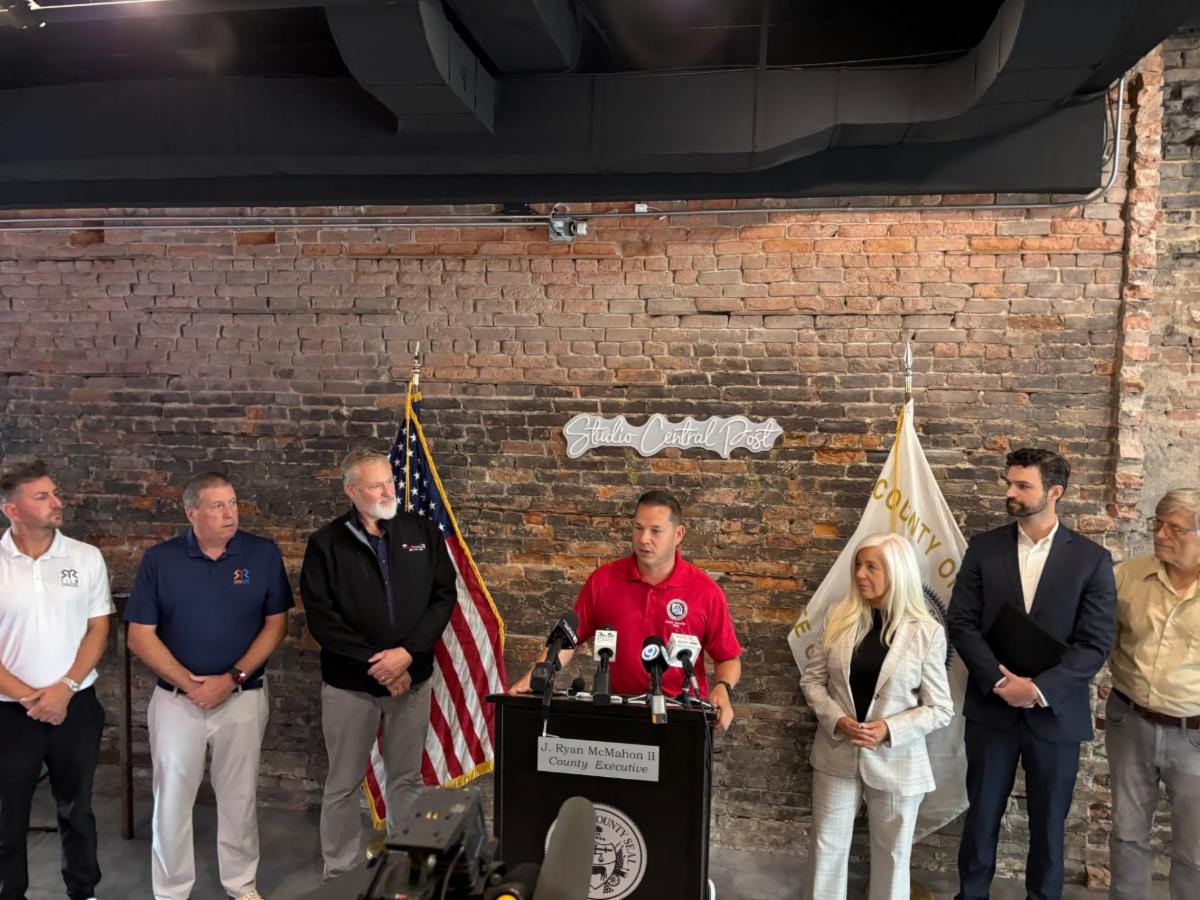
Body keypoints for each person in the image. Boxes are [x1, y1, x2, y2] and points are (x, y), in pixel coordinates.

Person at [947, 448, 1116, 900]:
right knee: (981, 817)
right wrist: (1000, 682)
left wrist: (1038, 690)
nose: (1011, 492)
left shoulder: (1092, 560)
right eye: (1009, 483)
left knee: (1048, 825)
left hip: (1056, 715)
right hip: (992, 708)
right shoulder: (984, 548)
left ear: (1054, 492)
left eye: (1023, 485)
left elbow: (1095, 643)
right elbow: (961, 622)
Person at [125, 471, 292, 900]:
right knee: (172, 800)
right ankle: (171, 891)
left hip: (243, 697)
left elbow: (276, 625)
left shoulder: (262, 554)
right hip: (177, 702)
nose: (230, 513)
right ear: (191, 512)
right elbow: (139, 635)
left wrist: (232, 679)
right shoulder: (160, 560)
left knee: (240, 797)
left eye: (233, 503)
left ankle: (242, 885)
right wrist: (191, 684)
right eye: (218, 506)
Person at [300, 447, 457, 880]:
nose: (389, 491)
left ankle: (406, 869)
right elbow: (322, 619)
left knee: (407, 779)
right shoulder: (325, 544)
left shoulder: (422, 532)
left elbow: (444, 595)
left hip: (412, 681)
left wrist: (407, 654)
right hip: (350, 687)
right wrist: (378, 665)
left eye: (390, 481)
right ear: (352, 491)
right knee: (343, 783)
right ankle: (340, 874)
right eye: (376, 486)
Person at [800, 532, 953, 900]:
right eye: (858, 564)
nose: (860, 574)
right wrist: (836, 719)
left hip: (897, 759)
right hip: (836, 753)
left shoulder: (926, 632)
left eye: (872, 567)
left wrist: (889, 728)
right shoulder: (838, 616)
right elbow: (812, 681)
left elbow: (940, 708)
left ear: (897, 572)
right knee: (826, 848)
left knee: (893, 856)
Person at [509, 490, 742, 730]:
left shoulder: (705, 591)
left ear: (678, 534)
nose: (644, 539)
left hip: (681, 718)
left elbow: (728, 658)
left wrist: (722, 688)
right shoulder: (604, 580)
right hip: (617, 714)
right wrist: (537, 674)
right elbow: (568, 640)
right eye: (638, 528)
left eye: (655, 531)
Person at [0, 460, 112, 900]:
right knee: (8, 815)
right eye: (42, 496)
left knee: (77, 809)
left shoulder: (85, 557)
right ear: (12, 509)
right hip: (10, 713)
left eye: (54, 493)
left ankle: (83, 892)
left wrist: (64, 689)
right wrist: (32, 698)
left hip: (76, 706)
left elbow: (98, 629)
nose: (56, 502)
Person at [1106, 487, 1200, 900]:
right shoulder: (1125, 577)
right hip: (1129, 723)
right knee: (1127, 834)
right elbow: (1097, 643)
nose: (1161, 534)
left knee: (1195, 850)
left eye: (1176, 528)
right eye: (1157, 524)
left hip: (1195, 735)